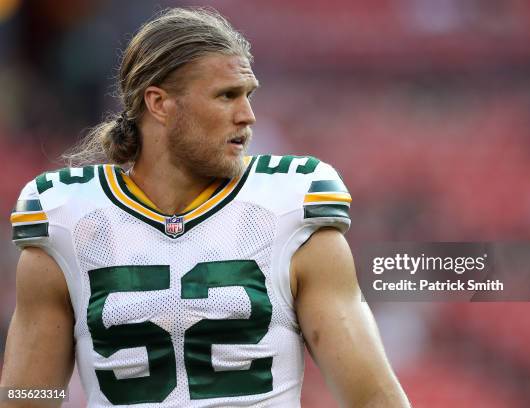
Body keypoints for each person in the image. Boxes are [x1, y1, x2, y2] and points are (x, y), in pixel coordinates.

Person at [1, 8, 410, 408]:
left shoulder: (291, 212)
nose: (247, 116)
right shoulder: (68, 220)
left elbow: (371, 396)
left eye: (248, 95)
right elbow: (29, 397)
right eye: (226, 96)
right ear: (159, 104)